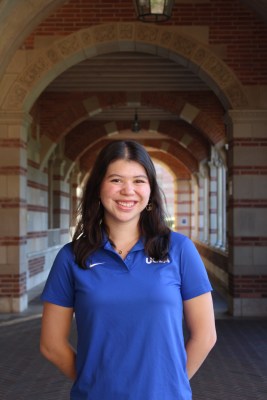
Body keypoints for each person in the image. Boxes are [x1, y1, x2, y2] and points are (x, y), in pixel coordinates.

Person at [40, 140, 217, 400]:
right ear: (98, 186)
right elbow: (51, 344)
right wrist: (95, 383)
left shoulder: (179, 249)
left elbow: (205, 335)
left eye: (138, 181)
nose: (128, 191)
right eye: (116, 180)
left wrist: (170, 385)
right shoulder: (72, 257)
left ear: (150, 190)